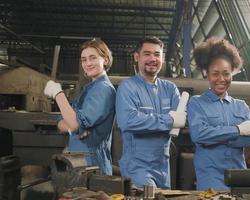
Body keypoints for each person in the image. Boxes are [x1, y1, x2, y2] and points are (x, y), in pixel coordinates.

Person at [187, 37, 250, 190]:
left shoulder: (240, 106)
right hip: (210, 178)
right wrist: (237, 131)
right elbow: (199, 135)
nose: (221, 79)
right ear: (207, 74)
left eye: (226, 73)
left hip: (238, 176)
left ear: (232, 73)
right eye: (215, 73)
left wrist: (217, 138)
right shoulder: (197, 103)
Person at [116, 37, 186, 189]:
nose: (152, 59)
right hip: (137, 167)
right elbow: (128, 121)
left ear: (163, 58)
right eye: (147, 54)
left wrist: (175, 120)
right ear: (137, 57)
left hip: (163, 166)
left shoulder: (170, 89)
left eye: (157, 54)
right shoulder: (127, 87)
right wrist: (168, 120)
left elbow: (179, 121)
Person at [43, 39, 116, 175]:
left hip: (92, 165)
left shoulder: (103, 90)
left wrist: (58, 93)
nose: (87, 63)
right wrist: (71, 127)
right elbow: (63, 122)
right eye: (84, 59)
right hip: (80, 161)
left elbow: (74, 123)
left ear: (105, 60)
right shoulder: (89, 88)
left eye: (93, 58)